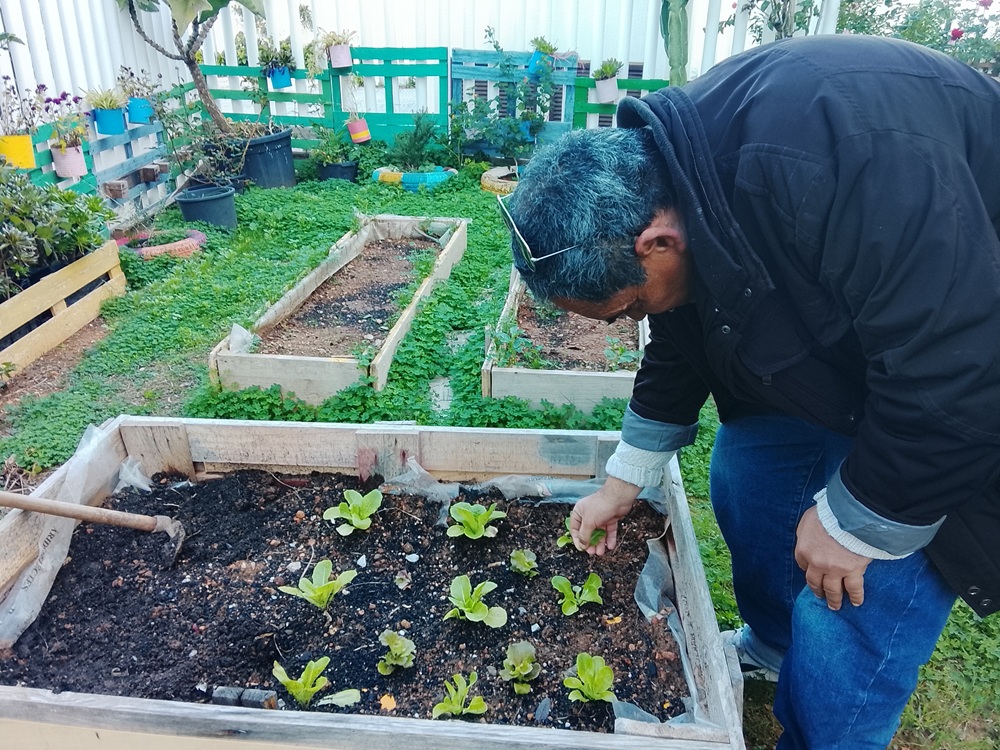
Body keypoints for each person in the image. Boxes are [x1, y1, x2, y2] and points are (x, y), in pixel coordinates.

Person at [500, 34, 1000, 749]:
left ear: (657, 244)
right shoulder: (677, 175)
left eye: (629, 309)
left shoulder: (834, 158)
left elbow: (958, 364)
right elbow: (682, 328)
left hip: (969, 341)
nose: (639, 321)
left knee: (858, 594)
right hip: (881, 324)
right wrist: (625, 478)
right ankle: (771, 647)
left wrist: (862, 522)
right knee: (748, 471)